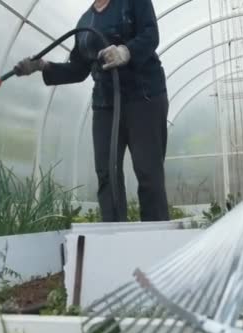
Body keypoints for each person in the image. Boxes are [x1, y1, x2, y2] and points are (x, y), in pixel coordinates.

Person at [14, 0, 169, 223]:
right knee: (107, 174)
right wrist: (43, 66)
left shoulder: (133, 3)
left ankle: (157, 238)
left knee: (148, 172)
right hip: (105, 103)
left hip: (143, 97)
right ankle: (114, 237)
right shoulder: (86, 21)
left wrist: (126, 51)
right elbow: (78, 70)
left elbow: (150, 35)